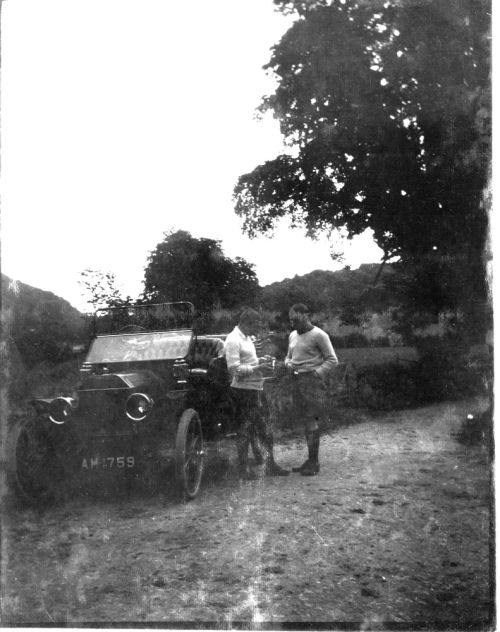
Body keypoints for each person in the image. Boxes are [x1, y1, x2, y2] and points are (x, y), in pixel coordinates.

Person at [224, 308, 289, 480]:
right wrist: (257, 368)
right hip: (242, 391)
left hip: (256, 389)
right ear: (247, 322)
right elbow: (234, 370)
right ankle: (244, 469)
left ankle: (270, 465)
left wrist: (260, 361)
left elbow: (249, 362)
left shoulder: (246, 338)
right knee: (244, 430)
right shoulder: (233, 340)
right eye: (255, 326)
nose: (257, 331)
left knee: (266, 429)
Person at [285, 303, 338, 476]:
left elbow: (332, 360)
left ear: (306, 316)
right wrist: (288, 364)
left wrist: (317, 374)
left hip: (311, 382)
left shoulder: (319, 335)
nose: (293, 324)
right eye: (291, 320)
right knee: (305, 420)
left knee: (311, 419)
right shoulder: (292, 335)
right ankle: (310, 460)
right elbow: (288, 357)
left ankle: (314, 463)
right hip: (296, 380)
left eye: (296, 319)